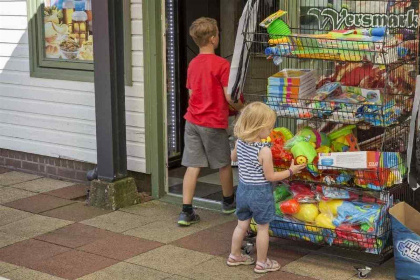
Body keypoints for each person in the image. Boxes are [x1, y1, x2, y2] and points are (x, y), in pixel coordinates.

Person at [178, 17, 243, 226]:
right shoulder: (222, 65)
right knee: (224, 163)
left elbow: (191, 94)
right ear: (214, 38)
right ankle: (228, 202)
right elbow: (229, 96)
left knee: (193, 165)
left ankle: (186, 211)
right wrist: (244, 108)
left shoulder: (193, 64)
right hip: (213, 122)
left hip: (192, 121)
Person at [227, 102, 306, 274]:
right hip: (260, 192)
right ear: (259, 127)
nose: (271, 131)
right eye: (269, 127)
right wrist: (291, 171)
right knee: (263, 228)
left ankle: (234, 255)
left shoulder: (240, 142)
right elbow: (271, 177)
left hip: (243, 190)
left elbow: (233, 158)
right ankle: (262, 263)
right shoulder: (264, 151)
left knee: (241, 225)